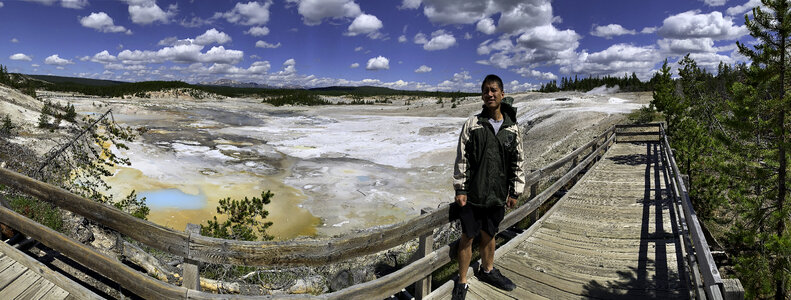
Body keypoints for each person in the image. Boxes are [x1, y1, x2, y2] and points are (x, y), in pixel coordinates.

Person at [451, 74, 525, 299]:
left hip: (497, 194)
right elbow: (462, 158)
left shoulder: (512, 128)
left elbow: (518, 161)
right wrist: (460, 189)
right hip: (472, 195)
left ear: (502, 94)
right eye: (486, 91)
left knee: (490, 233)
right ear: (482, 96)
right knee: (468, 236)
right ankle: (462, 282)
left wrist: (515, 191)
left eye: (494, 90)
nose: (490, 94)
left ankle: (487, 270)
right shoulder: (472, 125)